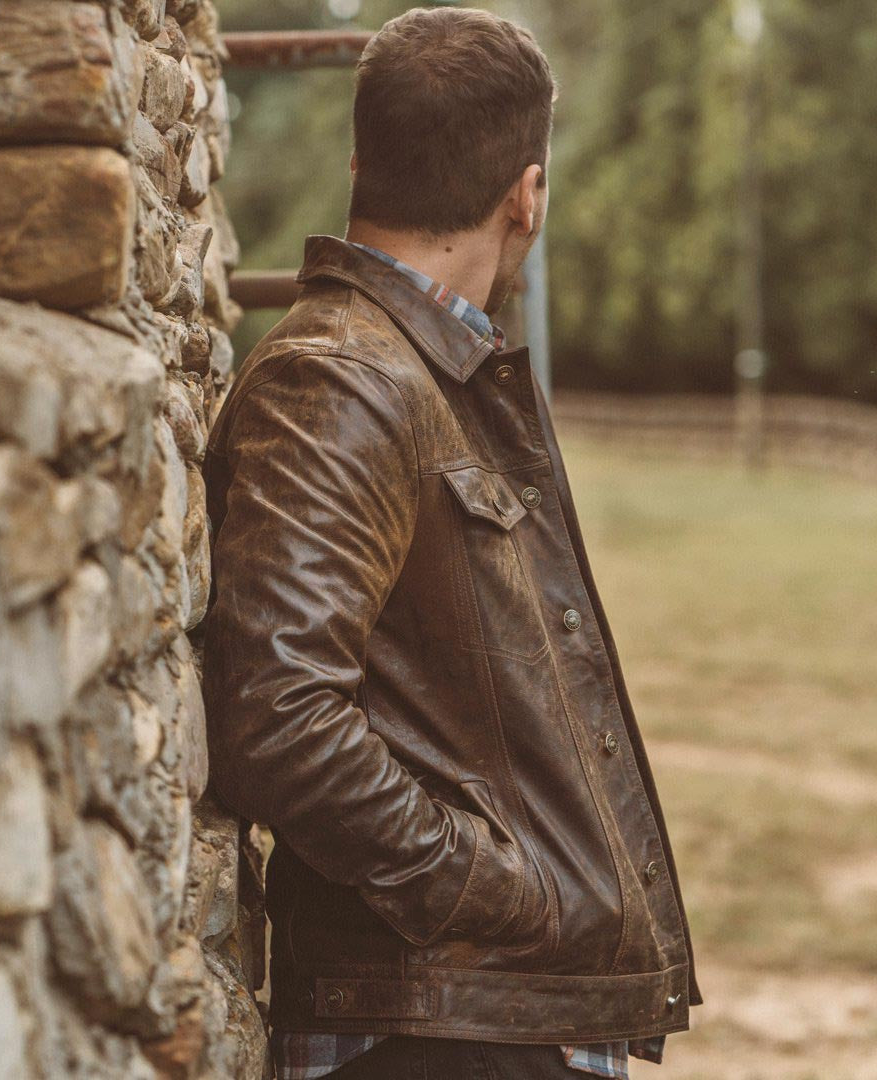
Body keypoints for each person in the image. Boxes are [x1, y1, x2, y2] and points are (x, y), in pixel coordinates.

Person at [200, 7, 702, 1078]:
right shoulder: (339, 377)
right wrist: (504, 891)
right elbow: (278, 715)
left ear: (360, 161)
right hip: (432, 1033)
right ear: (527, 194)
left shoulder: (424, 368)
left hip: (481, 1021)